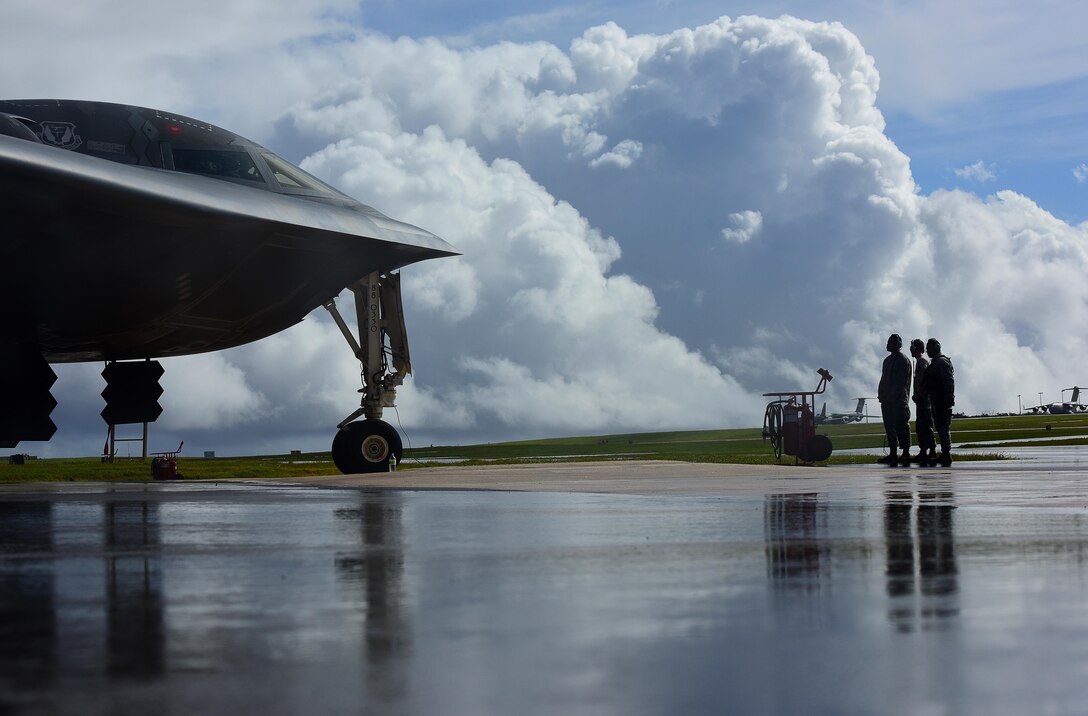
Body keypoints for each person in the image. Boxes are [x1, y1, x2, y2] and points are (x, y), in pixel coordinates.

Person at [877, 333, 913, 465]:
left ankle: (905, 453)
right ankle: (893, 453)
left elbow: (900, 383)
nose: (887, 344)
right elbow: (883, 379)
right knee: (889, 427)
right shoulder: (887, 361)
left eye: (890, 342)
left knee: (902, 426)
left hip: (898, 401)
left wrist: (891, 397)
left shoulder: (903, 360)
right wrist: (881, 394)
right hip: (886, 401)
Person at [923, 338, 955, 466]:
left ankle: (946, 453)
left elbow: (948, 381)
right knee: (940, 426)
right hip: (936, 399)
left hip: (941, 400)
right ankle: (945, 453)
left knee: (943, 427)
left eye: (929, 348)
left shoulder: (941, 362)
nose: (927, 351)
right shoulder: (935, 362)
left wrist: (948, 398)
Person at [910, 339, 937, 463]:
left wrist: (920, 394)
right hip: (921, 399)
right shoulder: (919, 362)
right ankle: (924, 450)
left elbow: (925, 381)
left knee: (926, 426)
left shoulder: (922, 362)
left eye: (913, 347)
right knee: (921, 427)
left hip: (925, 400)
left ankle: (931, 450)